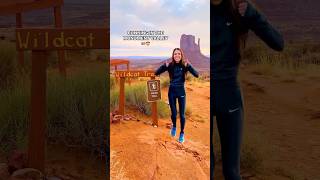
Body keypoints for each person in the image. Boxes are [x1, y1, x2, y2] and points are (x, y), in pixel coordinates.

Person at [211, 0, 284, 179]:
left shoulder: (238, 10)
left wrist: (253, 14)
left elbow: (278, 43)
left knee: (231, 171)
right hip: (204, 96)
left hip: (229, 98)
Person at [155, 48, 199, 143]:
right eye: (175, 54)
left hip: (181, 92)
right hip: (172, 92)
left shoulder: (185, 65)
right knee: (174, 114)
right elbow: (156, 73)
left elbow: (197, 75)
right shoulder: (170, 65)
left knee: (182, 115)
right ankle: (174, 126)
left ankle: (182, 133)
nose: (177, 55)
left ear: (181, 55)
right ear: (173, 55)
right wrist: (164, 66)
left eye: (179, 54)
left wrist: (189, 66)